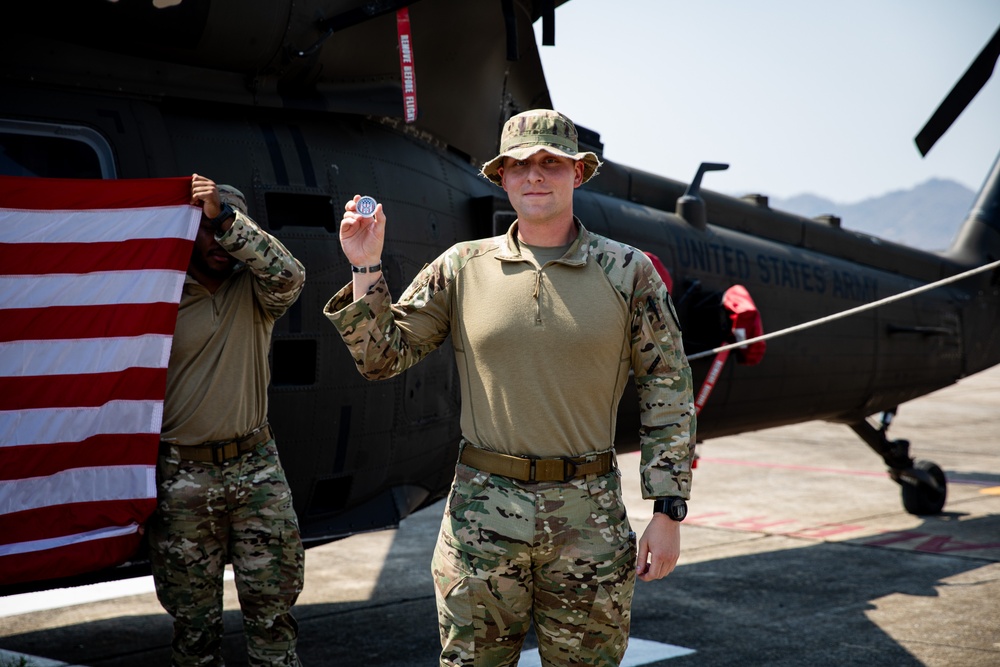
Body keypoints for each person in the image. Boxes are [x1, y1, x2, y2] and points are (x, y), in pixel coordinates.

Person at [324, 109, 695, 666]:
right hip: (482, 514)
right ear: (501, 177)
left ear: (578, 172)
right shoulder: (463, 267)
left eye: (551, 162)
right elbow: (382, 358)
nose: (534, 176)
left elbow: (667, 389)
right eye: (519, 165)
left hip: (587, 516)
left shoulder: (627, 272)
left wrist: (667, 510)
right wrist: (366, 266)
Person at [148, 173, 306, 667]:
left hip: (255, 469)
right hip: (182, 476)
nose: (217, 243)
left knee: (273, 623)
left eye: (225, 230)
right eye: (204, 228)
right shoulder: (159, 296)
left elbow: (290, 275)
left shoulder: (256, 293)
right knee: (194, 634)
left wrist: (223, 217)